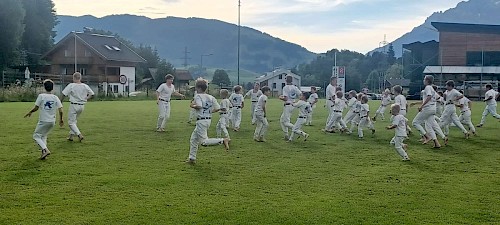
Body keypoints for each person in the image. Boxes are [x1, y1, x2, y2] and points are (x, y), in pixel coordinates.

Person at [186, 78, 230, 165]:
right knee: (193, 139)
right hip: (208, 120)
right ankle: (192, 158)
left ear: (198, 88)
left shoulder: (198, 96)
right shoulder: (211, 97)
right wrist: (209, 111)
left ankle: (223, 140)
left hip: (201, 121)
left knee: (204, 142)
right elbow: (217, 108)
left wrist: (192, 105)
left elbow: (199, 106)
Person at [24, 79, 64, 160]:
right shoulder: (55, 97)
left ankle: (45, 150)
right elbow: (61, 109)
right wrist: (61, 119)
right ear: (52, 88)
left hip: (43, 120)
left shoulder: (41, 96)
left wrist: (30, 112)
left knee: (36, 136)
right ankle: (43, 153)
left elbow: (36, 107)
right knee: (44, 135)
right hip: (52, 121)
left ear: (44, 87)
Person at [61, 72, 95, 141]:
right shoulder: (85, 86)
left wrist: (60, 102)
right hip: (82, 106)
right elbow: (92, 94)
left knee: (71, 122)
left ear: (73, 78)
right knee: (74, 121)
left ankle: (79, 134)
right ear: (80, 78)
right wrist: (86, 98)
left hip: (74, 105)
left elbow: (63, 94)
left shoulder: (71, 85)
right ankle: (71, 136)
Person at [411, 75, 443, 148]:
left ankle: (426, 136)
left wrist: (421, 106)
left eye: (424, 79)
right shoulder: (432, 89)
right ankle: (436, 143)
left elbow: (428, 96)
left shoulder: (428, 87)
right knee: (430, 127)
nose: (423, 80)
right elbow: (438, 98)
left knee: (415, 122)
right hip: (433, 109)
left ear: (427, 80)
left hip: (427, 109)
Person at [279, 75, 302, 140]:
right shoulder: (295, 87)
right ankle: (286, 134)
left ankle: (298, 131)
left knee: (286, 122)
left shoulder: (285, 87)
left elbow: (285, 98)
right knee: (282, 120)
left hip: (288, 105)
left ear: (286, 80)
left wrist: (280, 97)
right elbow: (300, 95)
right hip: (293, 104)